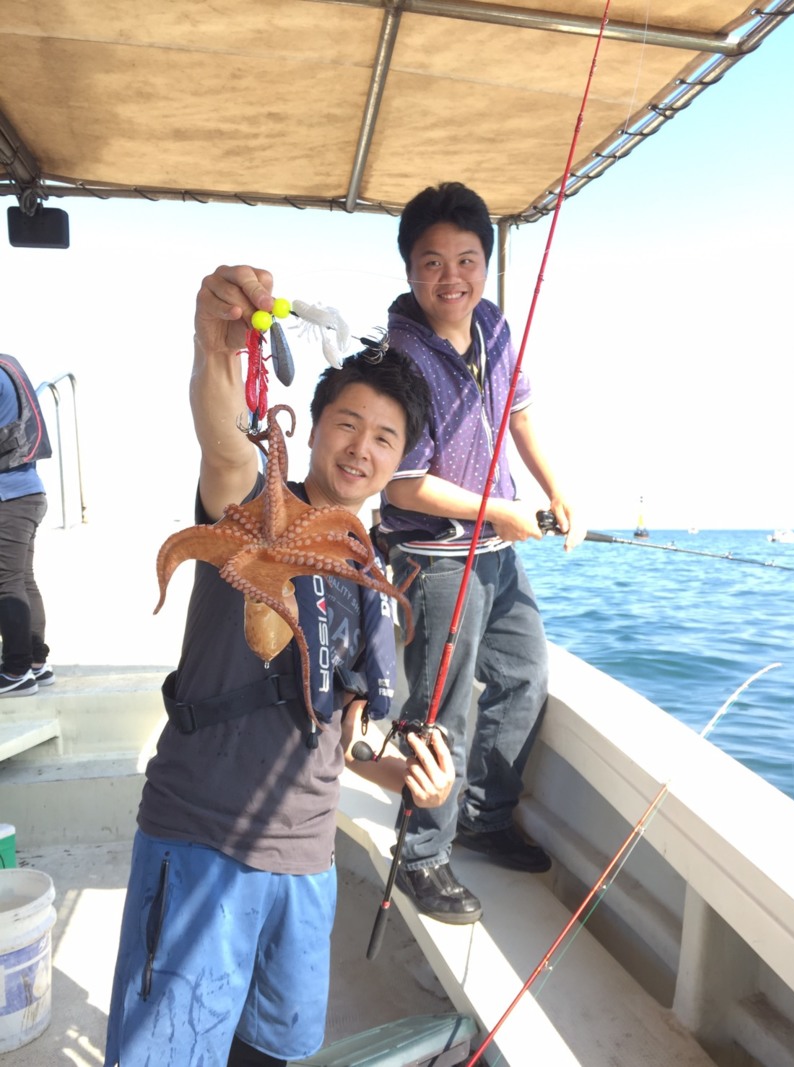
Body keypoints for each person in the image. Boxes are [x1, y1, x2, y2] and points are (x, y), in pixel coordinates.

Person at [104, 265, 454, 1067]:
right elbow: (223, 436)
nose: (360, 447)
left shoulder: (373, 576)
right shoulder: (248, 510)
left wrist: (410, 778)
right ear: (315, 425)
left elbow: (350, 738)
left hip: (305, 863)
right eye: (346, 423)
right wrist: (215, 344)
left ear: (400, 457)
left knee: (271, 1054)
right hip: (201, 838)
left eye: (384, 437)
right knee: (168, 1052)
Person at [379, 182, 584, 925]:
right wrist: (501, 507)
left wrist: (553, 489)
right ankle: (422, 854)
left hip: (496, 552)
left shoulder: (494, 326)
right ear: (410, 271)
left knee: (525, 676)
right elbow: (403, 486)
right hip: (434, 561)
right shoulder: (398, 360)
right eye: (432, 261)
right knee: (439, 712)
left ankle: (483, 814)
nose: (451, 277)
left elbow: (519, 414)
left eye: (466, 259)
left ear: (486, 266)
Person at [0, 353, 54, 697]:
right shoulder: (7, 365)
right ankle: (36, 663)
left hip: (9, 498)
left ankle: (16, 670)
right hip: (28, 492)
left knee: (6, 582)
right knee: (22, 579)